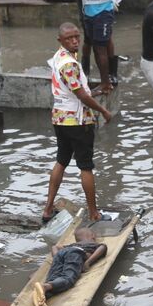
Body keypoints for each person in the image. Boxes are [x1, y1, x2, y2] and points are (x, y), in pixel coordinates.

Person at [42, 22, 112, 223]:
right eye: (69, 39)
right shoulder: (69, 64)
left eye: (77, 37)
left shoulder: (59, 57)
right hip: (77, 121)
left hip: (60, 118)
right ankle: (94, 213)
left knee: (61, 160)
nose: (74, 41)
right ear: (60, 40)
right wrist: (103, 110)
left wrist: (93, 91)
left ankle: (47, 209)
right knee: (86, 166)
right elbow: (80, 94)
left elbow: (72, 88)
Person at [32, 227, 108, 306]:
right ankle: (45, 287)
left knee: (53, 279)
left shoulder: (72, 245)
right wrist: (88, 262)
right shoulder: (92, 243)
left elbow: (55, 247)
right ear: (93, 236)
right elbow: (103, 247)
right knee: (68, 278)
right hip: (75, 253)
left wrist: (57, 259)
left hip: (61, 253)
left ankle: (44, 294)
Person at [73, 0, 119, 93]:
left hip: (103, 11)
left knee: (100, 48)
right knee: (93, 46)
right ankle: (95, 76)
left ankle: (106, 83)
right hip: (87, 11)